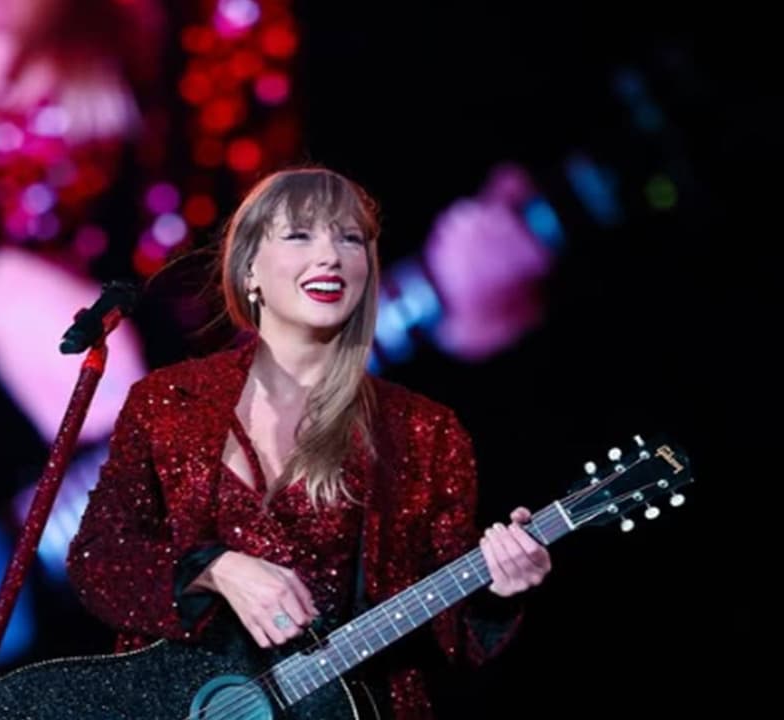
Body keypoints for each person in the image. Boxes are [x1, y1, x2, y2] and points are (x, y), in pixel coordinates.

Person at [66, 166, 552, 719]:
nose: (328, 257)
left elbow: (454, 643)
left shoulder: (427, 432)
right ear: (249, 270)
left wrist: (502, 589)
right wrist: (215, 569)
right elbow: (97, 560)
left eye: (349, 240)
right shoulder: (169, 402)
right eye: (299, 236)